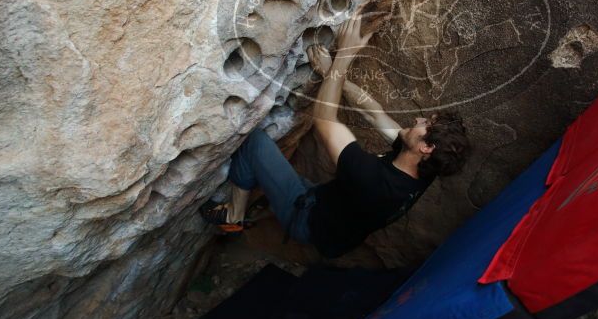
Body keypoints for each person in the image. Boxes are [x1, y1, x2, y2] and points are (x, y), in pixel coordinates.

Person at [200, 17, 471, 258]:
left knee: (254, 142)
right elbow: (373, 113)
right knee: (294, 178)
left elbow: (325, 119)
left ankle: (234, 215)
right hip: (335, 214)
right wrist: (330, 72)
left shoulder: (373, 181)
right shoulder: (425, 168)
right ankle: (271, 195)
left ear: (425, 147)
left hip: (307, 220)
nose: (417, 120)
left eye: (425, 124)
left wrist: (344, 57)